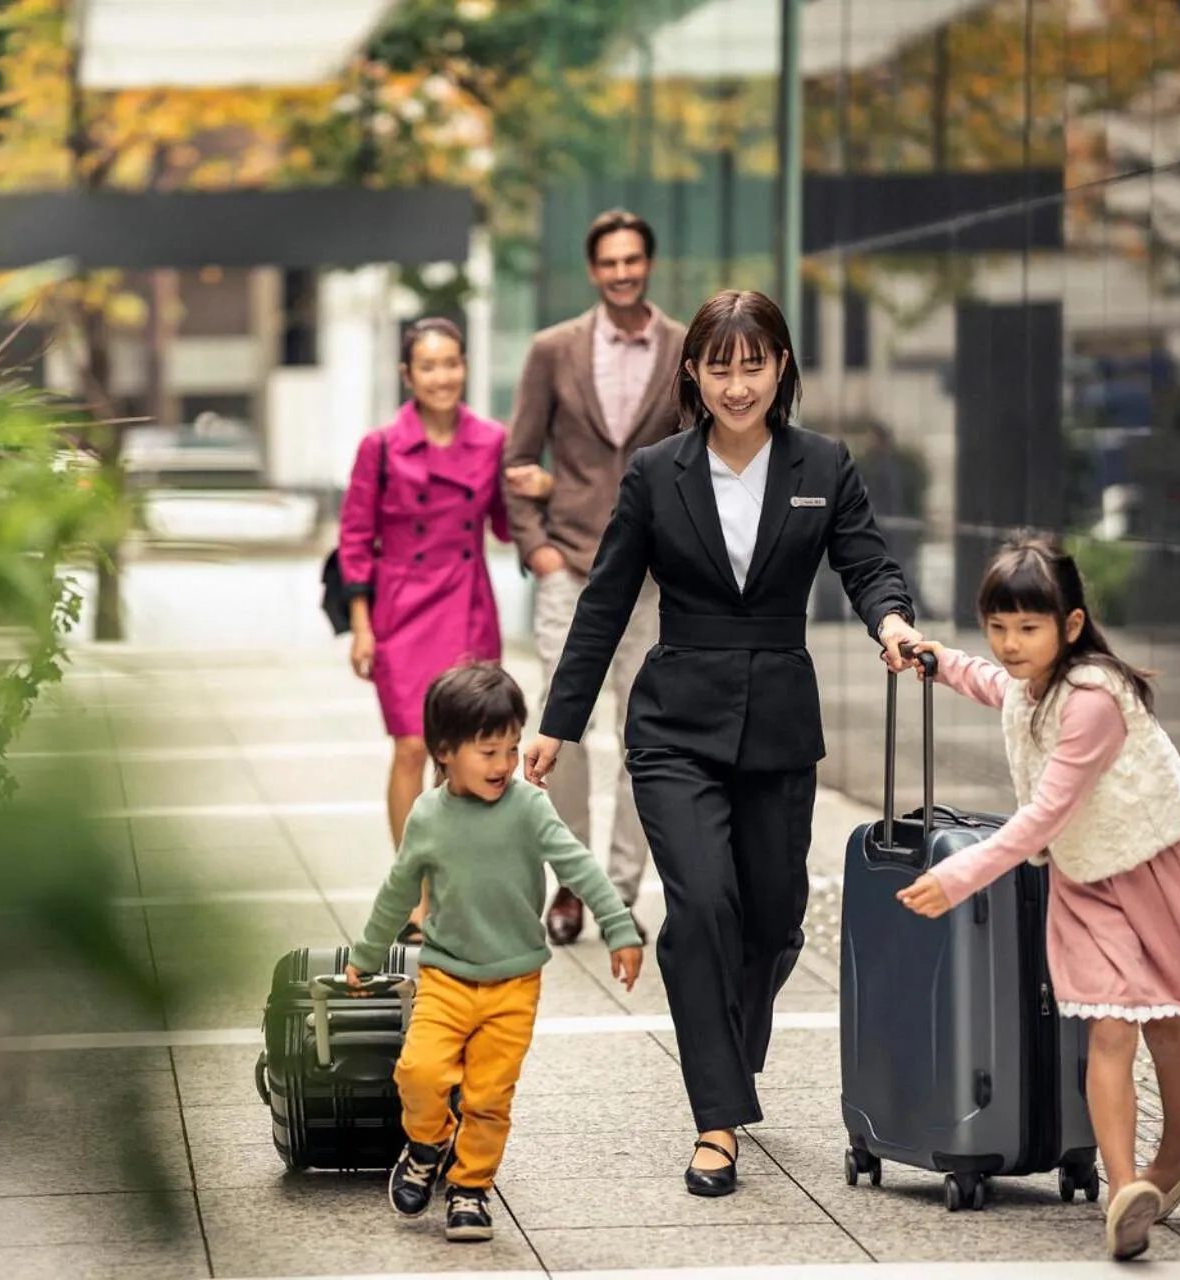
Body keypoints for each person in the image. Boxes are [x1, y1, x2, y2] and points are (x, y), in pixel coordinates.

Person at [522, 288, 923, 1197]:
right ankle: (717, 1121)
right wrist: (558, 722)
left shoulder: (822, 463)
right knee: (701, 906)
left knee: (774, 918)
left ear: (782, 368)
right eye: (719, 366)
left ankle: (725, 1050)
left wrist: (893, 622)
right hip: (675, 723)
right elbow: (605, 602)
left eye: (754, 364)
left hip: (779, 723)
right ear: (693, 375)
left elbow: (867, 562)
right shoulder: (656, 472)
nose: (737, 385)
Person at [897, 533, 1180, 1262]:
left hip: (1152, 870)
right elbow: (993, 684)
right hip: (1088, 884)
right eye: (998, 626)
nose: (1010, 644)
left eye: (1028, 628)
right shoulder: (1030, 682)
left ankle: (1179, 1151)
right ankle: (1125, 1191)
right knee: (1110, 1028)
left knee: (1164, 1027)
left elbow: (1044, 816)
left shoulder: (1094, 701)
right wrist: (936, 659)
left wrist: (959, 875)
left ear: (1070, 626)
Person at [343, 663, 644, 1242]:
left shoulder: (528, 808)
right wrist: (366, 954)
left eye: (511, 747)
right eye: (488, 752)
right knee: (419, 1072)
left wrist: (618, 927)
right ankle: (428, 1144)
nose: (504, 764)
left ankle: (471, 1188)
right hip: (446, 976)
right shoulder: (428, 816)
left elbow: (579, 866)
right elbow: (398, 890)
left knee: (488, 1096)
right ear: (445, 752)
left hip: (514, 984)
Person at [502, 209, 687, 947]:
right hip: (572, 567)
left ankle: (620, 890)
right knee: (563, 732)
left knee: (646, 734)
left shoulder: (683, 348)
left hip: (652, 575)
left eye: (632, 260)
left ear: (649, 264)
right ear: (592, 270)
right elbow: (518, 462)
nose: (621, 273)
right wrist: (538, 550)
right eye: (608, 262)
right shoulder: (553, 350)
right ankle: (574, 883)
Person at [339, 318, 511, 941]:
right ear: (407, 375)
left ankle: (462, 889)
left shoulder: (492, 440)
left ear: (465, 366)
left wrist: (536, 486)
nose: (442, 376)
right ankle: (414, 896)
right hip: (400, 612)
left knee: (469, 755)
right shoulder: (380, 447)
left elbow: (505, 524)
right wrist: (361, 627)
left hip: (466, 610)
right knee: (412, 746)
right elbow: (355, 539)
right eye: (429, 366)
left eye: (452, 363)